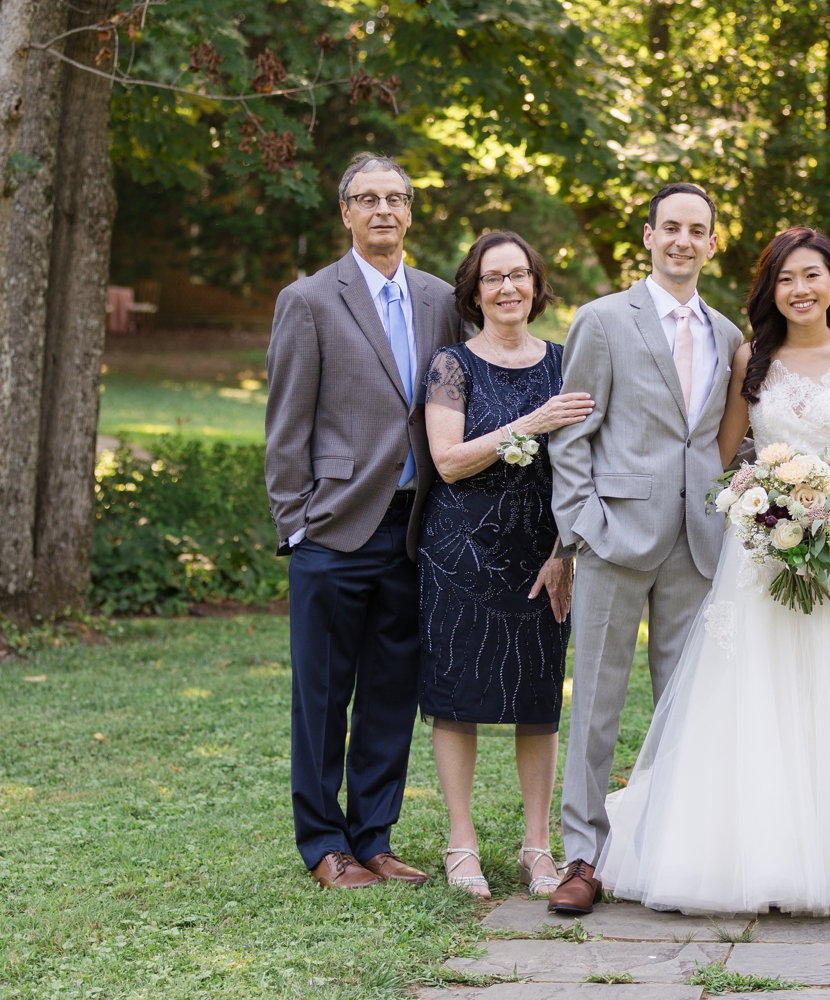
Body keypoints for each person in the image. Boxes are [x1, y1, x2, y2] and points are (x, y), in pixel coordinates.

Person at [594, 227, 830, 917]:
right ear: (771, 289)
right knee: (757, 701)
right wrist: (759, 505)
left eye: (812, 275)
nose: (801, 290)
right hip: (760, 560)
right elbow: (727, 456)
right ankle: (750, 861)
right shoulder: (750, 357)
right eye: (786, 279)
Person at [265, 153, 464, 889]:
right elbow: (287, 425)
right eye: (367, 198)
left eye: (396, 198)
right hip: (334, 528)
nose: (384, 210)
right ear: (344, 212)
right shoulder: (311, 300)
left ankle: (374, 837)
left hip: (415, 531)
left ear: (411, 212)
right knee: (321, 695)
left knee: (391, 690)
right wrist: (295, 524)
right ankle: (324, 846)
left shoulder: (442, 299)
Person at [546, 183, 746, 914]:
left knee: (684, 706)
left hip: (699, 542)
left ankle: (669, 850)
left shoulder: (728, 335)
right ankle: (582, 856)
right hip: (614, 535)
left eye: (698, 230)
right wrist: (581, 523)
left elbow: (722, 438)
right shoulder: (602, 321)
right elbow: (572, 430)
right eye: (671, 228)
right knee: (597, 700)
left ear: (713, 243)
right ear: (648, 235)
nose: (683, 241)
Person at [418, 231, 594, 898]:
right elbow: (448, 460)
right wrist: (535, 421)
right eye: (494, 277)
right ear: (474, 290)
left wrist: (564, 553)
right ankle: (460, 843)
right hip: (460, 551)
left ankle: (537, 847)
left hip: (541, 553)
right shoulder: (451, 365)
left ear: (536, 284)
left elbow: (583, 467)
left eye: (519, 275)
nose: (509, 288)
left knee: (538, 698)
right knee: (457, 697)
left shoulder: (564, 362)